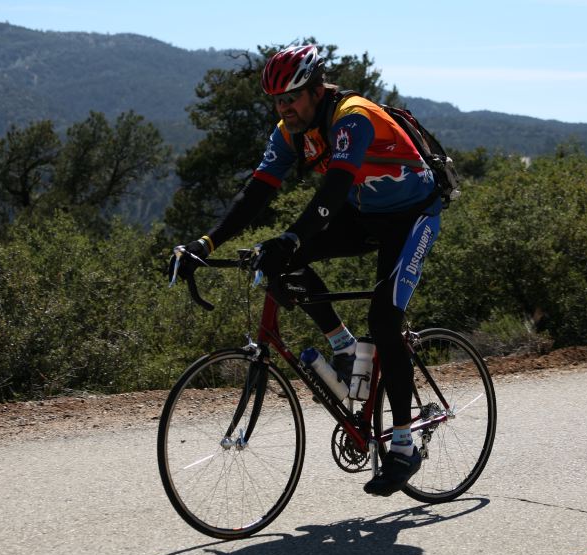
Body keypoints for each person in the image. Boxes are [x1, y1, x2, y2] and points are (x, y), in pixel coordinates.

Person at [173, 44, 442, 496]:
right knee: (280, 260)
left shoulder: (353, 117)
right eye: (277, 101)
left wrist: (293, 237)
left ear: (317, 89)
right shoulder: (289, 131)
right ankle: (342, 345)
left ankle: (402, 445)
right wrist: (206, 241)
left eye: (292, 97)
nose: (283, 108)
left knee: (384, 319)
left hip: (413, 217)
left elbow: (334, 189)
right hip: (364, 215)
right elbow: (256, 193)